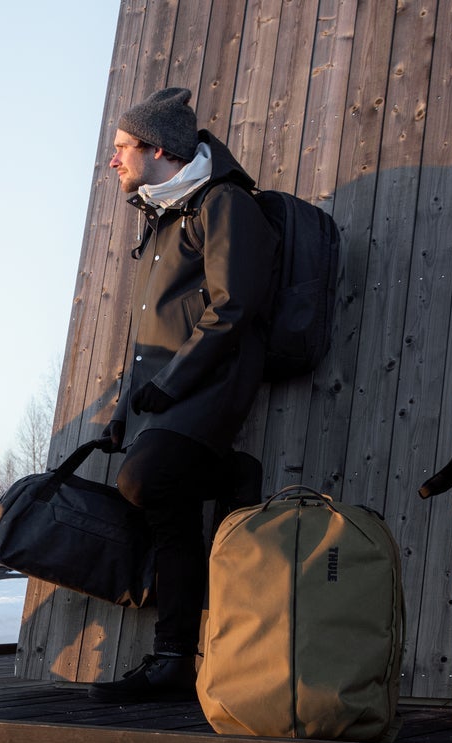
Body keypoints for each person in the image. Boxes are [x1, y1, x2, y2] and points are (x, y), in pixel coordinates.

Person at [88, 87, 276, 703]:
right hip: (165, 395)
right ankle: (173, 659)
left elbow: (234, 307)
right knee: (164, 511)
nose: (113, 159)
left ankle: (231, 473)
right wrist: (124, 410)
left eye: (123, 147)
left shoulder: (224, 204)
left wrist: (170, 385)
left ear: (161, 149)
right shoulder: (163, 216)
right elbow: (147, 329)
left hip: (211, 383)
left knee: (145, 482)